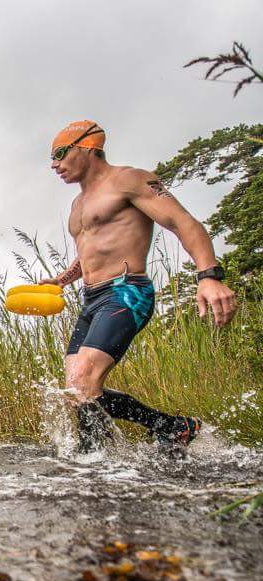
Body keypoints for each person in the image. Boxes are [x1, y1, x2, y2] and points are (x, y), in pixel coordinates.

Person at [41, 120, 237, 453]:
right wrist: (63, 279)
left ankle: (93, 460)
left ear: (87, 147)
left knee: (86, 377)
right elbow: (90, 251)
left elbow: (182, 221)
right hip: (92, 299)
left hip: (126, 291)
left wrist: (209, 275)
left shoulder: (129, 180)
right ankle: (172, 428)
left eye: (60, 153)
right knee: (76, 389)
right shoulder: (77, 205)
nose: (54, 164)